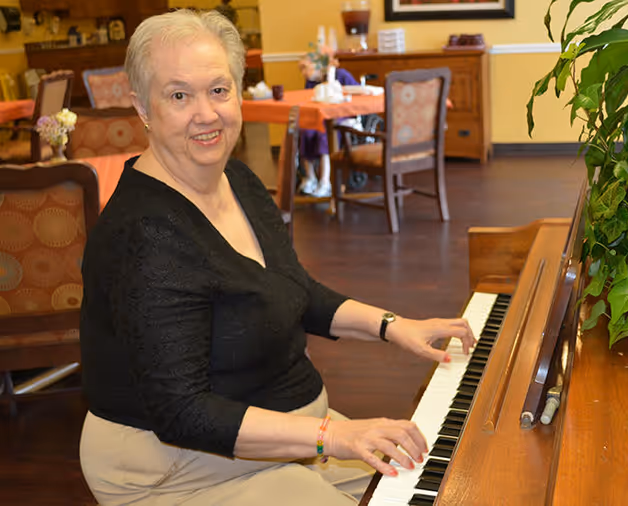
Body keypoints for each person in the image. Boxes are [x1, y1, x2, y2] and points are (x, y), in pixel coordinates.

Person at [78, 9, 475, 506]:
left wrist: (395, 326)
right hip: (180, 467)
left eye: (219, 90)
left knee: (435, 478)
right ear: (142, 107)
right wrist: (334, 436)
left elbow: (292, 289)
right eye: (179, 95)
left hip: (282, 444)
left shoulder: (238, 180)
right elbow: (182, 412)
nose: (206, 113)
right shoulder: (144, 234)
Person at [297, 64, 359, 198]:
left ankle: (325, 181)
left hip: (339, 115)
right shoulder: (311, 82)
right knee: (305, 131)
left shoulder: (341, 75)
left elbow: (358, 93)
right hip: (319, 116)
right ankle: (310, 177)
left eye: (305, 68)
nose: (303, 73)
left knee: (323, 134)